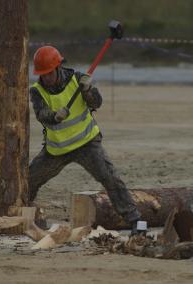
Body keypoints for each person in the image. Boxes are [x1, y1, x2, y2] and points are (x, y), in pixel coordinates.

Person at [28, 45, 141, 233]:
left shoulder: (78, 79)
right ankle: (21, 215)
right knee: (28, 181)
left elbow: (97, 103)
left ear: (58, 67)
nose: (46, 77)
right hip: (57, 150)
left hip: (86, 143)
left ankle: (135, 220)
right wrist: (55, 115)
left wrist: (88, 91)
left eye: (49, 73)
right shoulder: (37, 90)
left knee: (110, 178)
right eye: (43, 74)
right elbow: (41, 114)